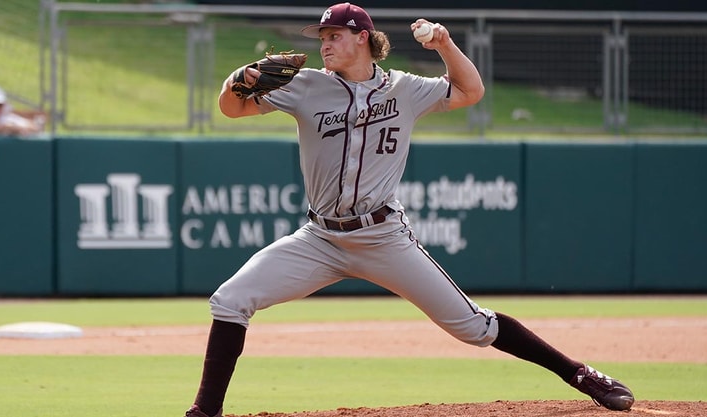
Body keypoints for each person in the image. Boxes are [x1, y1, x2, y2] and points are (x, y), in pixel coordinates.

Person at [183, 3, 635, 416]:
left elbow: (470, 91)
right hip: (319, 239)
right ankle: (204, 412)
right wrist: (237, 78)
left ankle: (579, 373)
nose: (324, 44)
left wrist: (444, 44)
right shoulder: (305, 86)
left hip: (383, 238)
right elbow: (232, 109)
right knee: (230, 300)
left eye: (334, 35)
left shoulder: (405, 88)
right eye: (321, 37)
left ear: (362, 37)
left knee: (474, 328)